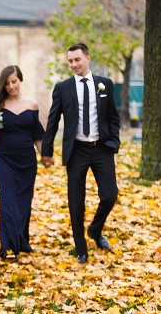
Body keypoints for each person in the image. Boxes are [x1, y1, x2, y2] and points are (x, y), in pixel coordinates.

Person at [41, 43, 120, 264]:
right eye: (70, 61)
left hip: (101, 148)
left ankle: (95, 230)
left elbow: (113, 117)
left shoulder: (105, 84)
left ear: (87, 58)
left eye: (77, 60)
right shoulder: (62, 88)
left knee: (110, 195)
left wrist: (114, 142)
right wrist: (46, 151)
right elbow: (53, 121)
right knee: (76, 201)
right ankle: (81, 248)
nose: (74, 64)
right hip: (76, 151)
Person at [0, 65, 45, 259]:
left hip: (27, 160)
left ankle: (21, 242)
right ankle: (7, 246)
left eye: (14, 82)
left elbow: (37, 135)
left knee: (24, 202)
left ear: (20, 80)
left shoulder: (32, 104)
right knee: (8, 200)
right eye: (7, 83)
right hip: (5, 159)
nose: (11, 86)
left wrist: (45, 156)